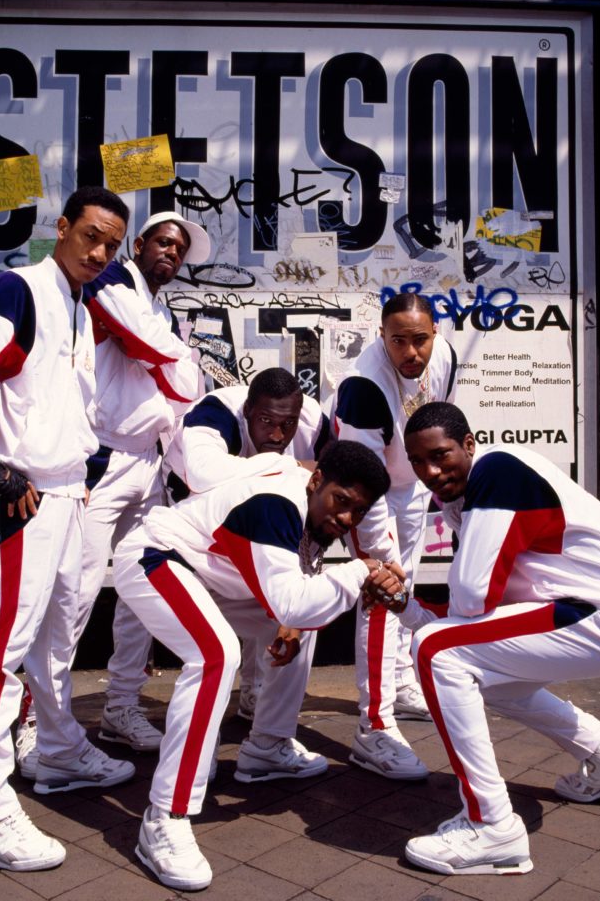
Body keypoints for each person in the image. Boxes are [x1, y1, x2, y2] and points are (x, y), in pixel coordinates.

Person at [0, 186, 136, 872]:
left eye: (111, 244)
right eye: (91, 236)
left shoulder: (78, 303)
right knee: (0, 649)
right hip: (27, 496)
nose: (100, 252)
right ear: (63, 227)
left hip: (69, 491)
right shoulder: (18, 288)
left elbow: (57, 401)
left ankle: (56, 751)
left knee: (58, 633)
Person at [368, 401, 600, 876]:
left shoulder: (498, 470)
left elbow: (473, 596)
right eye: (419, 462)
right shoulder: (467, 496)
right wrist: (405, 604)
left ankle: (492, 828)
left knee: (438, 652)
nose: (430, 471)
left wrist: (428, 617)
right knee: (492, 678)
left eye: (441, 455)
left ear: (469, 445)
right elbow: (484, 609)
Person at [112, 440, 391, 891]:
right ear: (317, 480)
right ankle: (165, 816)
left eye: (356, 513)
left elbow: (296, 600)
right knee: (215, 655)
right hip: (159, 556)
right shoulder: (278, 504)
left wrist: (295, 619)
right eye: (341, 502)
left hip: (220, 576)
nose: (344, 520)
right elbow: (291, 599)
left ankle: (267, 746)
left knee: (300, 628)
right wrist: (360, 571)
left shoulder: (308, 504)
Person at [14, 210, 210, 775]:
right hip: (100, 458)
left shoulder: (160, 304)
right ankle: (38, 728)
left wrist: (173, 364)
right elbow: (168, 364)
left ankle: (120, 707)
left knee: (142, 591)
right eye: (164, 242)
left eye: (180, 249)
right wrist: (173, 360)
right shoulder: (110, 281)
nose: (171, 253)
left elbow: (180, 386)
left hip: (145, 463)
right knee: (71, 597)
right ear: (142, 244)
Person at [163, 367, 332, 768]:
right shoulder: (216, 411)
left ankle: (268, 743)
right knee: (211, 650)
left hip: (241, 543)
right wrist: (290, 467)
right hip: (183, 548)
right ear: (247, 410)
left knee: (299, 619)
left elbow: (328, 496)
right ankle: (122, 706)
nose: (277, 434)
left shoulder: (312, 421)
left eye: (287, 424)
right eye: (266, 422)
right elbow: (205, 474)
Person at [327, 292, 457, 779]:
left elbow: (436, 422)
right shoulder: (363, 385)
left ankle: (402, 684)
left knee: (410, 587)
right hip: (364, 487)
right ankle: (373, 726)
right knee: (384, 593)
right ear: (382, 336)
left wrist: (432, 490)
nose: (411, 353)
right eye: (398, 341)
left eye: (419, 340)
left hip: (409, 485)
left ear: (435, 334)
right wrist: (381, 553)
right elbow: (359, 478)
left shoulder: (444, 354)